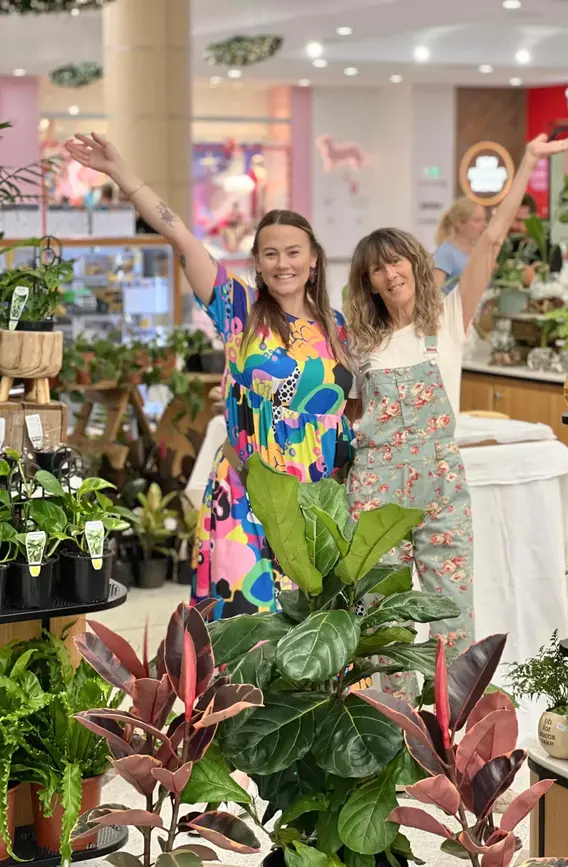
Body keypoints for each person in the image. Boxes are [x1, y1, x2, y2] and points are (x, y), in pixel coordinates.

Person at [64, 132, 355, 620]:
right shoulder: (239, 309)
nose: (282, 263)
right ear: (257, 263)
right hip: (247, 497)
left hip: (316, 503)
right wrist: (121, 174)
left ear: (313, 260)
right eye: (270, 253)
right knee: (245, 628)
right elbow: (179, 235)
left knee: (310, 636)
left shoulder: (338, 327)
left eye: (293, 252)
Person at [345, 132, 568, 701]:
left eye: (395, 261)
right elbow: (346, 409)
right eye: (375, 270)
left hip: (441, 483)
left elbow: (493, 238)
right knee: (381, 614)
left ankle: (452, 724)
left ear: (413, 262)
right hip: (376, 486)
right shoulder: (358, 341)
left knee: (453, 609)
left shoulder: (448, 320)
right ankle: (392, 722)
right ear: (366, 282)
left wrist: (529, 161)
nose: (389, 275)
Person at [433, 198, 487, 294]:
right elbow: (435, 292)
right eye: (477, 220)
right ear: (460, 224)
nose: (484, 225)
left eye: (484, 219)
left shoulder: (482, 252)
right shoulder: (445, 253)